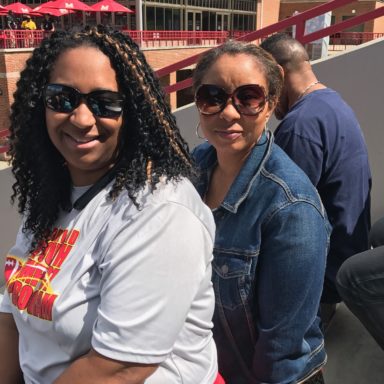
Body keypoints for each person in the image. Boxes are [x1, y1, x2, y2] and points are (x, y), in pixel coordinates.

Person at [0, 26, 218, 384]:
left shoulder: (160, 212)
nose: (82, 119)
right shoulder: (51, 194)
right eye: (62, 99)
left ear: (132, 112)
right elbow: (11, 309)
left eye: (105, 103)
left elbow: (118, 368)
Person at [192, 40, 331, 384]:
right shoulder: (195, 167)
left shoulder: (291, 208)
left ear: (269, 105)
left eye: (248, 98)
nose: (229, 112)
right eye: (213, 96)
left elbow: (279, 353)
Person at [260, 33, 372, 309]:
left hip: (326, 275)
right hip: (348, 252)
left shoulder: (300, 126)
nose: (267, 99)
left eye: (266, 87)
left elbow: (283, 215)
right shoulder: (332, 103)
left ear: (278, 74)